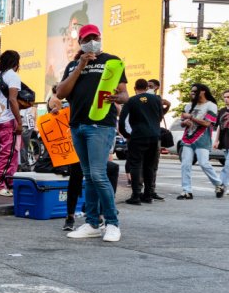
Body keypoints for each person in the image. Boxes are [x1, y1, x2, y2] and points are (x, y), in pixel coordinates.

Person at [56, 24, 128, 242]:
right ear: (81, 42)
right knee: (89, 177)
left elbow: (125, 95)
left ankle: (112, 223)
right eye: (87, 38)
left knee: (98, 174)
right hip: (77, 124)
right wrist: (80, 66)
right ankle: (93, 222)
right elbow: (61, 92)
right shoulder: (72, 65)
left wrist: (118, 99)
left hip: (101, 124)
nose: (92, 41)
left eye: (95, 37)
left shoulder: (111, 61)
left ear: (100, 37)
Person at [119, 79, 164, 205]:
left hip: (138, 136)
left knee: (136, 165)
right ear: (146, 87)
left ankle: (136, 195)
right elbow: (160, 116)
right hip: (154, 136)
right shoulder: (156, 99)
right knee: (150, 166)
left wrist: (127, 135)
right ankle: (148, 195)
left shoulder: (131, 101)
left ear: (135, 88)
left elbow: (122, 121)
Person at [177, 83, 223, 200]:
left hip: (202, 139)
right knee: (185, 164)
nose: (191, 93)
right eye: (191, 91)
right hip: (188, 138)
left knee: (204, 163)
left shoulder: (211, 105)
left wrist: (191, 118)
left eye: (194, 91)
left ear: (202, 91)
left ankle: (218, 184)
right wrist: (185, 122)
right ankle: (187, 191)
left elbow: (208, 123)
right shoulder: (188, 106)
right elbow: (182, 123)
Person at [0, 50, 23, 197]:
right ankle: (0, 184)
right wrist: (19, 121)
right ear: (16, 62)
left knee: (8, 152)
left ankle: (8, 182)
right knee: (8, 153)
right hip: (8, 119)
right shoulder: (13, 76)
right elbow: (12, 99)